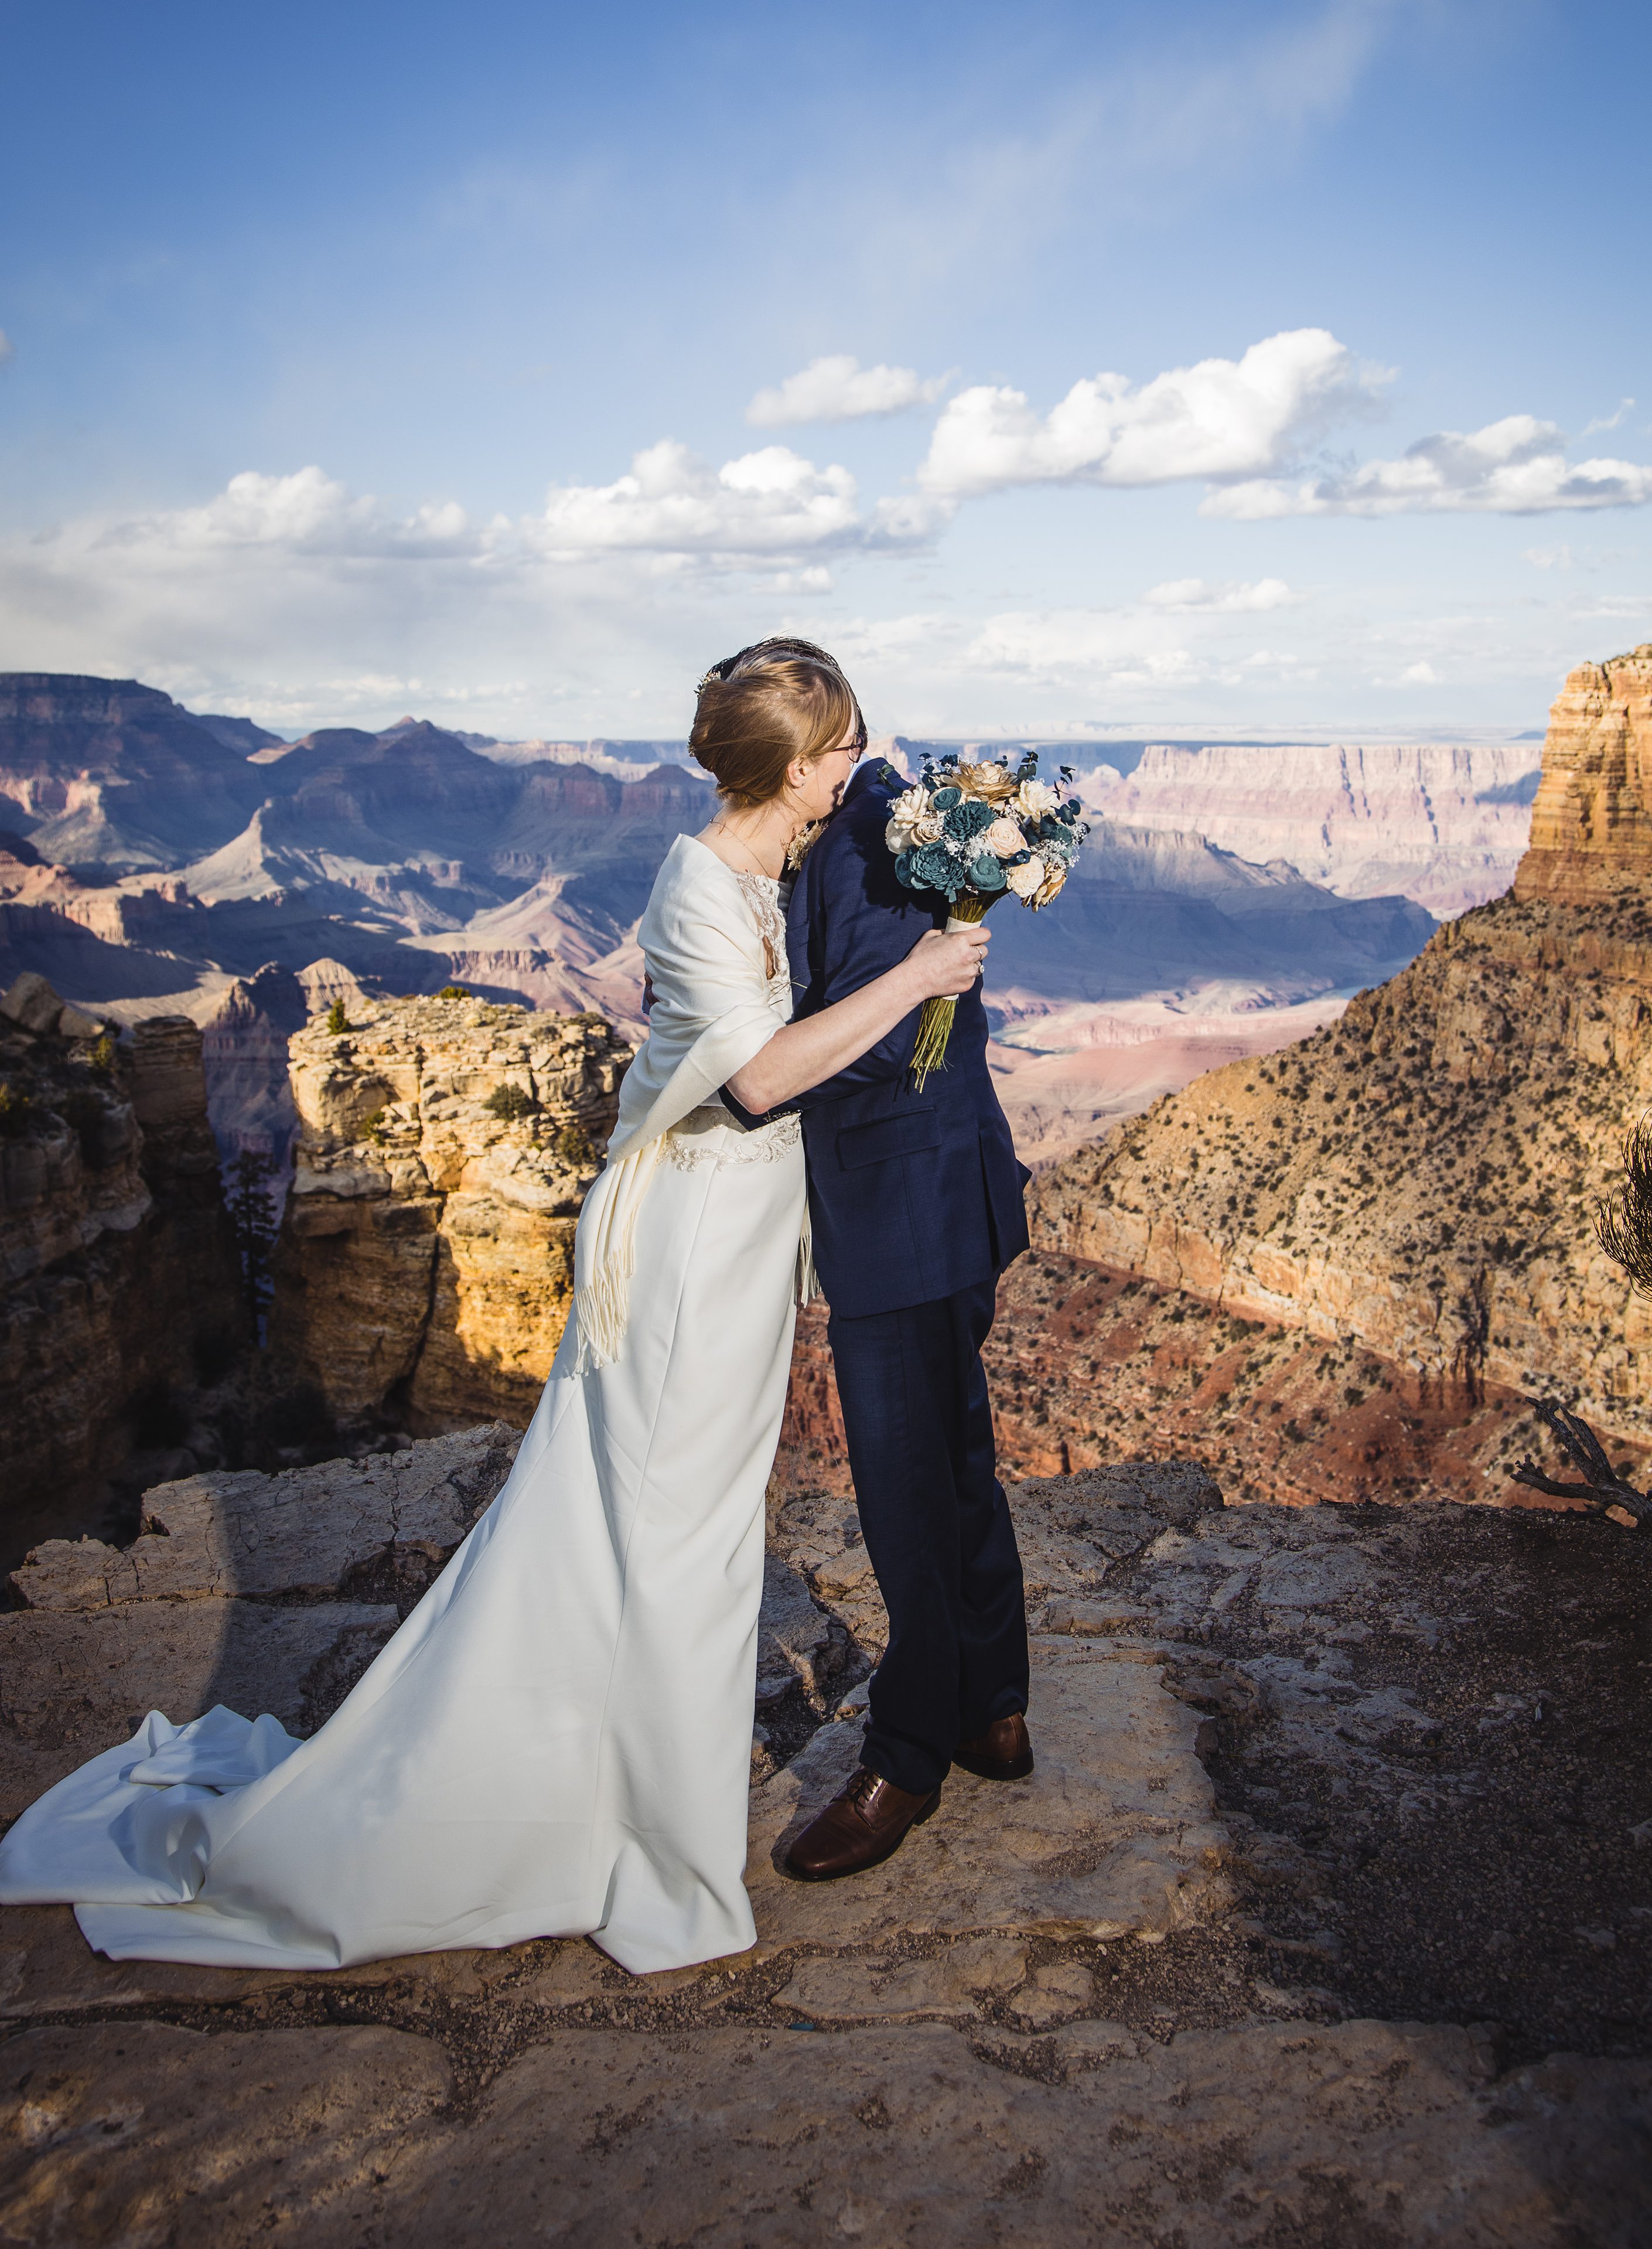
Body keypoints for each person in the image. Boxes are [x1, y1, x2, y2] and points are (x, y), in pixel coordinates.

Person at [0, 646, 988, 1977]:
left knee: (664, 1527)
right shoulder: (701, 889)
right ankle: (658, 1852)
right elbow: (756, 1083)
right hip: (695, 1247)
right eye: (846, 745)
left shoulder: (775, 865)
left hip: (747, 1242)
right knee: (685, 1538)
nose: (862, 762)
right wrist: (920, 978)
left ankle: (615, 1793)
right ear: (797, 767)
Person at [777, 745, 1034, 1882]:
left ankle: (909, 1753)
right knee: (954, 1459)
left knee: (906, 1495)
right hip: (927, 1198)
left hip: (907, 1213)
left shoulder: (874, 834)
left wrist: (744, 1060)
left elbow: (884, 1032)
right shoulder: (874, 823)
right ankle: (991, 1710)